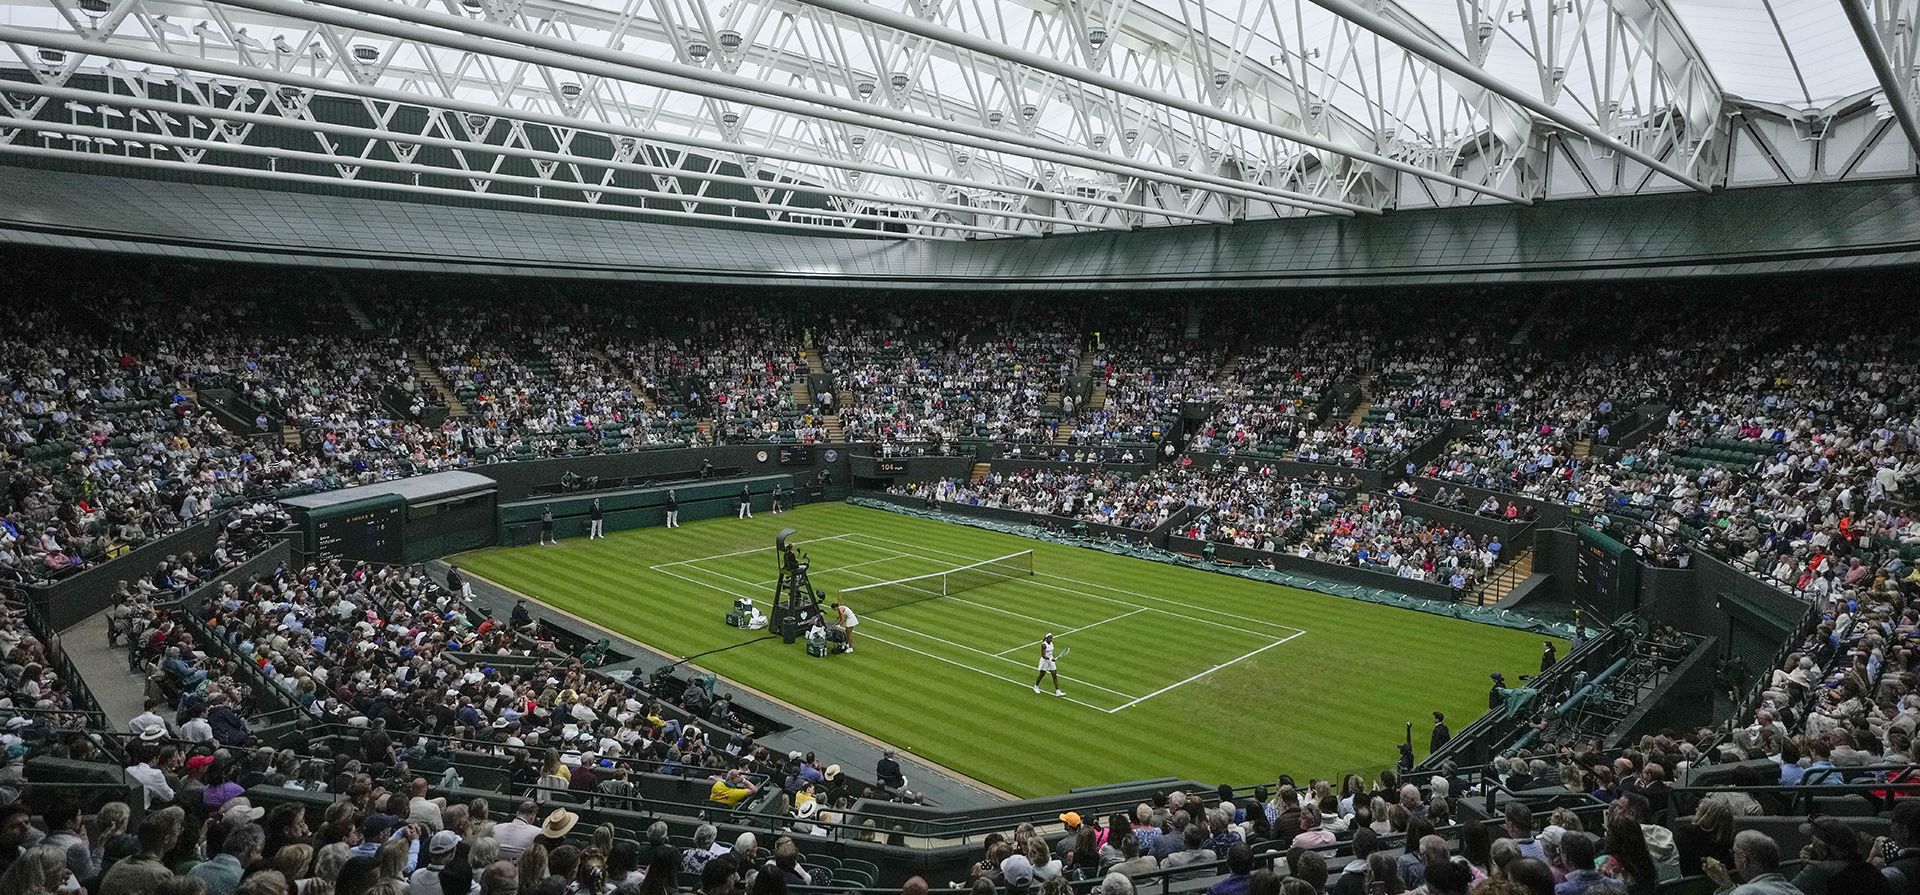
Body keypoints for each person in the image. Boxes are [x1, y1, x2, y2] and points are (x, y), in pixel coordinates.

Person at [1702, 831, 1801, 895]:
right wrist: (1727, 886)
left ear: (1743, 859)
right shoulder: (1796, 892)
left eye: (1733, 853)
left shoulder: (1746, 892)